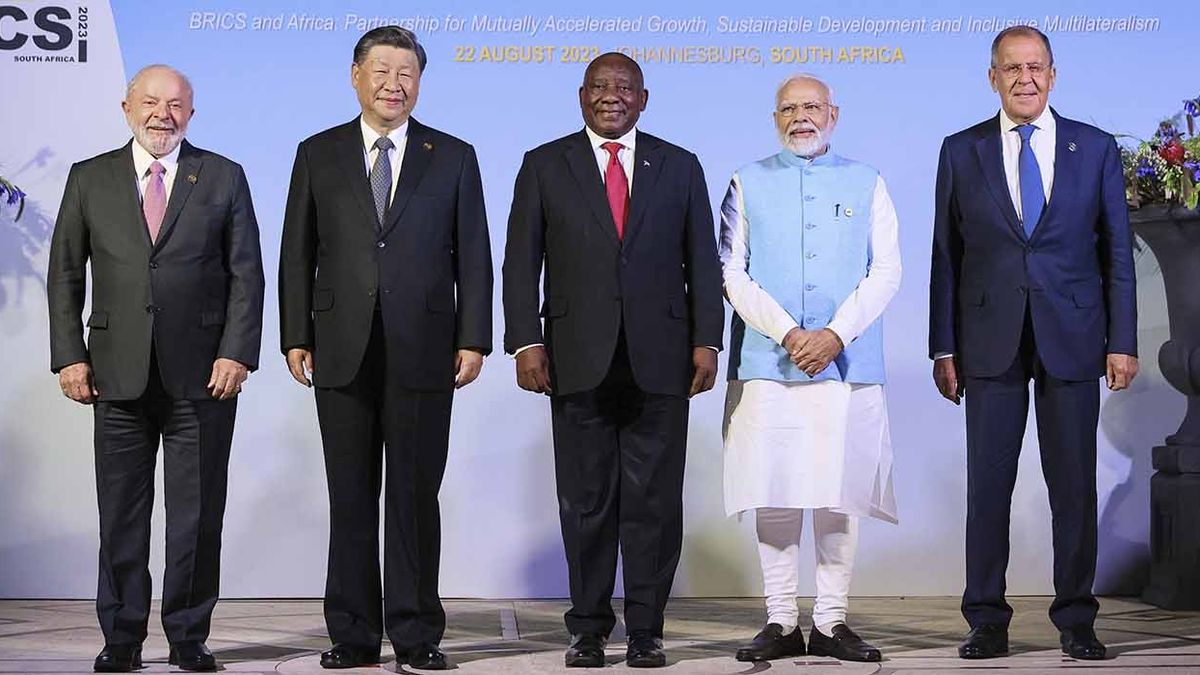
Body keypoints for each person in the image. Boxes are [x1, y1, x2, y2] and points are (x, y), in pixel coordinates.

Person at [277, 26, 492, 671]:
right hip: (340, 347)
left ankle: (418, 634)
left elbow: (474, 255)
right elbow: (297, 253)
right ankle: (351, 634)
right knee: (350, 494)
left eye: (407, 73)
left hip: (426, 348)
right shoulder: (317, 153)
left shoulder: (452, 155)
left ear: (420, 82)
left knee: (415, 495)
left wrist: (473, 337)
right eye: (382, 71)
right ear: (355, 76)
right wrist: (295, 335)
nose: (394, 84)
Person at [502, 52, 723, 668]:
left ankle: (647, 629)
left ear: (644, 99)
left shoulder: (680, 166)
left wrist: (707, 340)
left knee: (654, 501)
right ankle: (588, 628)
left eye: (624, 88)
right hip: (574, 360)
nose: (611, 96)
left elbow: (703, 261)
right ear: (581, 96)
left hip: (663, 360)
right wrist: (525, 342)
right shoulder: (544, 165)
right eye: (600, 87)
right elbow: (520, 263)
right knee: (586, 500)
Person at [929, 26, 1138, 661]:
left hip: (1074, 338)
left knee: (1073, 485)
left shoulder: (1094, 147)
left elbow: (1116, 255)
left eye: (1036, 67)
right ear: (991, 76)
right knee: (986, 487)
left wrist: (1122, 341)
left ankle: (1077, 618)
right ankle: (986, 619)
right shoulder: (960, 149)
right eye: (1012, 68)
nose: (1025, 78)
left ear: (1053, 74)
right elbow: (947, 255)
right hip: (987, 341)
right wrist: (943, 346)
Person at [47, 64, 265, 673]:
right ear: (126, 107)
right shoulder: (88, 178)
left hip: (204, 377)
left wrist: (236, 351)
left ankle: (189, 639)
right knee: (120, 516)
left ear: (190, 113)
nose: (161, 114)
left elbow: (247, 273)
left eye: (175, 104)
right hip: (114, 375)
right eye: (150, 102)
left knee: (196, 518)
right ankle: (120, 640)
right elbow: (65, 274)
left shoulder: (223, 176)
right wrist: (69, 354)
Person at [720, 74, 900, 664]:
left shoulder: (867, 181)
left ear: (834, 114)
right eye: (790, 109)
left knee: (837, 493)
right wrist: (791, 333)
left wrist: (833, 335)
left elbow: (886, 271)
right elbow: (731, 273)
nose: (802, 117)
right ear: (775, 118)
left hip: (846, 365)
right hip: (769, 362)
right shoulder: (747, 181)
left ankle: (830, 622)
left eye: (812, 107)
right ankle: (779, 619)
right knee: (773, 489)